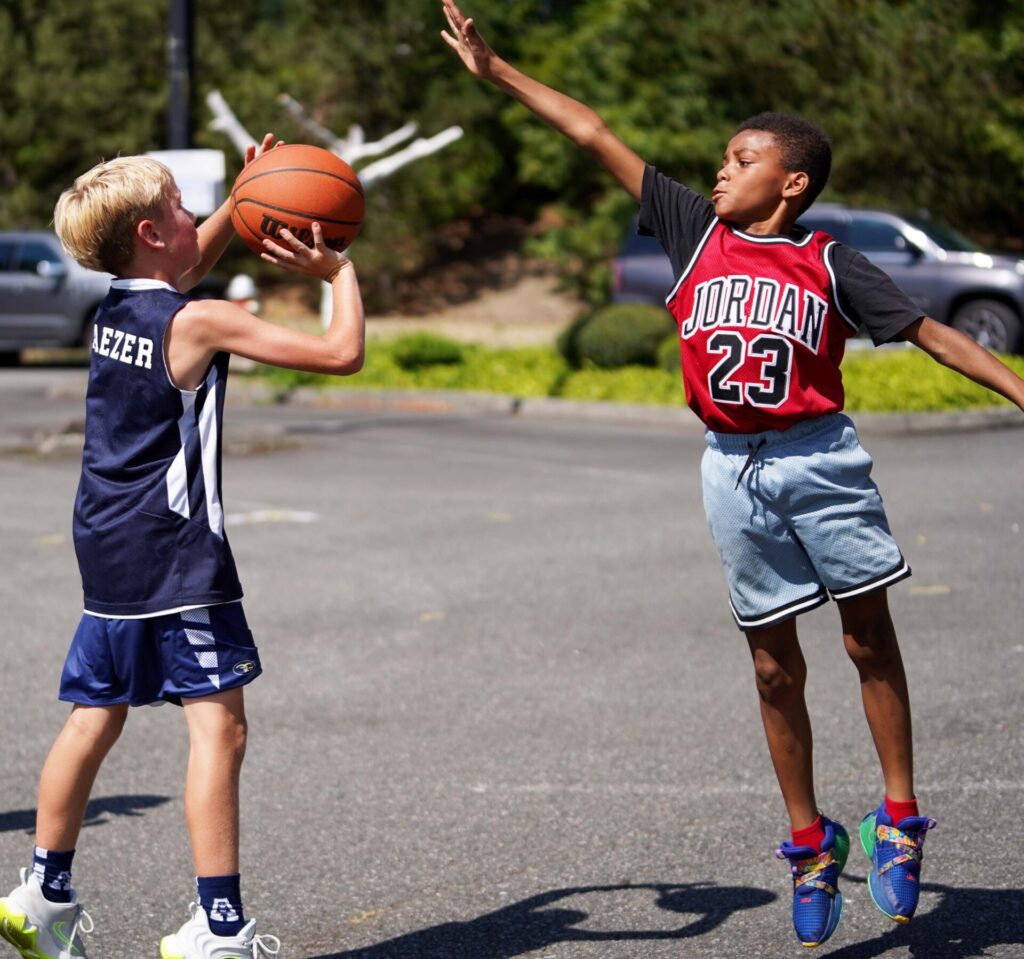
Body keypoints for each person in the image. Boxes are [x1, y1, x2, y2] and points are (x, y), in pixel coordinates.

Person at [439, 1, 1024, 948]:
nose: (721, 167)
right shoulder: (688, 231)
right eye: (722, 155)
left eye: (741, 158)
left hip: (820, 460)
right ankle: (808, 839)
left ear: (790, 182)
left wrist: (1017, 388)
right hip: (731, 468)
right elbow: (591, 130)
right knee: (768, 662)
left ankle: (901, 818)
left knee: (868, 639)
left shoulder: (829, 259)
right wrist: (497, 70)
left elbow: (933, 333)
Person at [0, 136, 365, 959]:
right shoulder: (197, 319)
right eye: (175, 208)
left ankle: (41, 891)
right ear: (147, 235)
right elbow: (343, 354)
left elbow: (185, 263)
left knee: (96, 713)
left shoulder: (121, 305)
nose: (192, 215)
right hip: (174, 551)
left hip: (107, 539)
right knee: (220, 727)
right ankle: (219, 928)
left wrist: (248, 195)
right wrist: (338, 274)